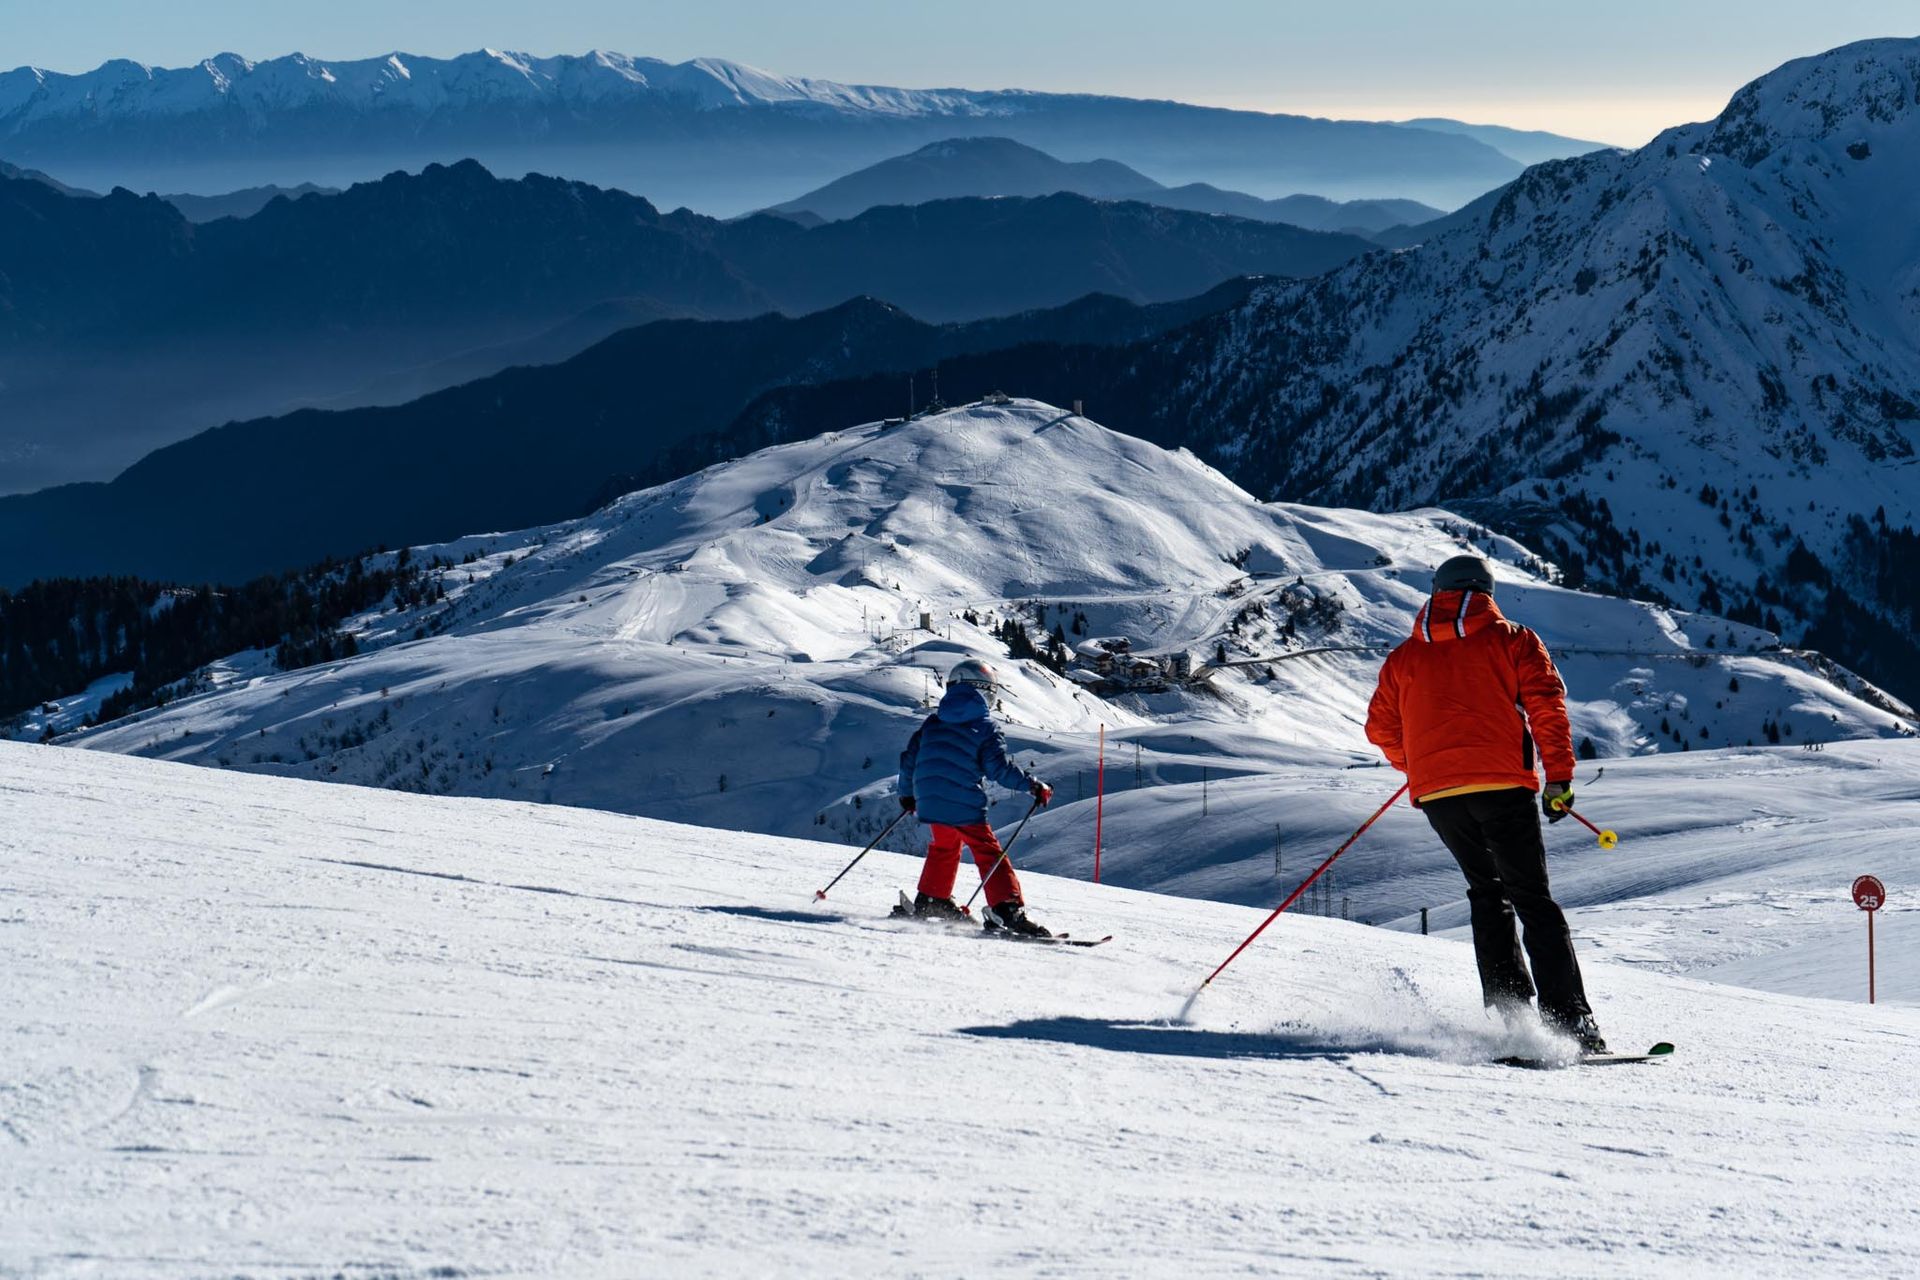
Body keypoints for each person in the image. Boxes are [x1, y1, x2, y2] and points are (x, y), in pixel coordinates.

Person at [1365, 555, 1607, 1053]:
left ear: (1437, 593)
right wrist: (1558, 778)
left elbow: (1380, 729)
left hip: (1439, 796)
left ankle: (1513, 1020)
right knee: (1532, 899)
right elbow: (1545, 706)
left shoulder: (1403, 658)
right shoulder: (1513, 640)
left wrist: (1417, 765)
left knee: (1487, 892)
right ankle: (1571, 1025)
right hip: (1501, 787)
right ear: (1487, 591)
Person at [898, 658, 1055, 936]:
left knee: (945, 847)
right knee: (988, 851)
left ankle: (933, 898)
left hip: (929, 800)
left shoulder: (933, 724)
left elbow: (910, 759)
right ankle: (1007, 909)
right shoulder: (985, 727)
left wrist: (907, 796)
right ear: (984, 691)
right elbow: (998, 769)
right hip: (962, 802)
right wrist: (1032, 785)